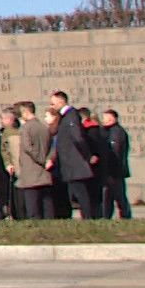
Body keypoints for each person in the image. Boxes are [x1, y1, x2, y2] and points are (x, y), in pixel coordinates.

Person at [49, 91, 96, 219]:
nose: (52, 106)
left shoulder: (71, 116)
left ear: (61, 102)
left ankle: (88, 217)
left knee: (81, 193)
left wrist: (87, 156)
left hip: (74, 162)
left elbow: (78, 137)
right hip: (69, 162)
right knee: (76, 192)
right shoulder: (66, 116)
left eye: (53, 103)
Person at [15, 102, 56, 219]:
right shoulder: (44, 127)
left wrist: (41, 159)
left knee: (32, 205)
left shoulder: (25, 129)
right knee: (46, 203)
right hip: (44, 171)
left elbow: (27, 147)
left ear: (26, 112)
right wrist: (49, 159)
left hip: (31, 171)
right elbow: (52, 147)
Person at [98, 109, 133, 219]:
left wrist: (110, 168)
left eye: (104, 117)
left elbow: (115, 151)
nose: (102, 120)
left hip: (115, 171)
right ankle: (107, 216)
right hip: (112, 171)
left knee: (119, 196)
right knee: (109, 197)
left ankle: (125, 216)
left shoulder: (117, 132)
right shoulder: (107, 131)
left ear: (112, 118)